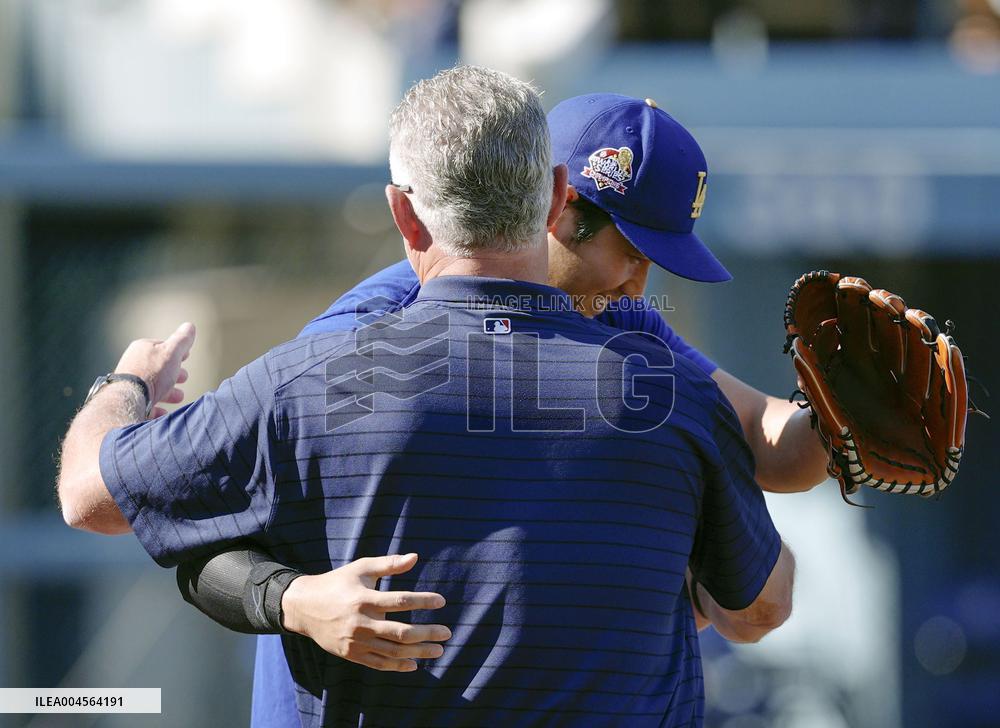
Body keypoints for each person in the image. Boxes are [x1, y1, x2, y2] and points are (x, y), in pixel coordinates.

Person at [58, 66, 794, 727]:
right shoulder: (656, 383)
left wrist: (121, 388)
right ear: (556, 202)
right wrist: (292, 600)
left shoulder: (318, 374)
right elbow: (762, 598)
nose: (639, 283)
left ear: (405, 214)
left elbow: (91, 496)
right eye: (628, 249)